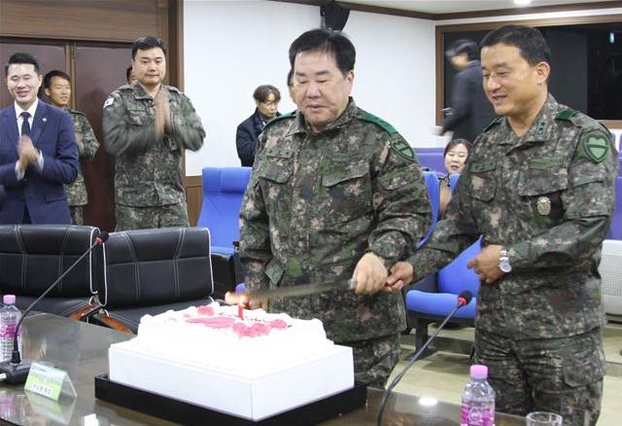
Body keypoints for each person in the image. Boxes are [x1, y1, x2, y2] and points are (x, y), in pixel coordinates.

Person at [387, 25, 617, 424]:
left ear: (540, 71)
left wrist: (508, 257)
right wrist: (413, 266)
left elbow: (587, 228)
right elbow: (459, 224)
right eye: (487, 74)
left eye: (503, 72)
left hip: (560, 335)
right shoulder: (489, 143)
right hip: (495, 333)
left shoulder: (582, 137)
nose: (492, 84)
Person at [234, 28, 432, 388]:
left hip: (359, 326)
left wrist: (380, 255)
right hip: (286, 322)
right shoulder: (274, 137)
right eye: (301, 80)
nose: (311, 91)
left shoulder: (379, 140)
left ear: (349, 78)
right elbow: (254, 219)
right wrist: (257, 284)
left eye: (323, 79)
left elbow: (410, 212)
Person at [103, 36, 205, 231]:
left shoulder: (178, 99)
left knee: (177, 257)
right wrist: (155, 131)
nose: (152, 67)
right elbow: (113, 141)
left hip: (172, 202)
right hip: (134, 205)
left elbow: (197, 139)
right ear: (133, 64)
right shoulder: (119, 99)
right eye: (145, 61)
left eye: (158, 61)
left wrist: (172, 125)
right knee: (134, 259)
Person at [0, 53, 78, 224]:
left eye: (27, 78)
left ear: (39, 80)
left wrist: (37, 158)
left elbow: (70, 171)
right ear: (7, 81)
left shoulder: (60, 118)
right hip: (8, 219)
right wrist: (19, 166)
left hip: (51, 218)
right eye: (14, 79)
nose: (21, 85)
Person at [43, 70, 100, 225]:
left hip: (74, 192)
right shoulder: (40, 118)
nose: (64, 92)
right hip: (47, 190)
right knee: (49, 238)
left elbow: (92, 148)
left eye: (67, 87)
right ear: (47, 91)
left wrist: (72, 145)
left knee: (75, 239)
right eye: (59, 87)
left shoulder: (78, 119)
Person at [440, 39, 495, 142]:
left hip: (468, 136)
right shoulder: (488, 74)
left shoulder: (464, 77)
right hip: (491, 133)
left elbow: (460, 109)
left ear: (464, 55)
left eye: (454, 56)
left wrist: (445, 126)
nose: (452, 60)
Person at [235, 85, 281, 167]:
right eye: (268, 104)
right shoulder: (245, 127)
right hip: (257, 174)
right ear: (257, 102)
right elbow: (244, 155)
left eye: (276, 103)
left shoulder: (287, 123)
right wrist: (267, 141)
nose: (273, 108)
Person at [438, 138, 471, 218]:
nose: (455, 159)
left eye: (461, 156)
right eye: (451, 155)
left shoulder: (474, 185)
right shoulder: (436, 184)